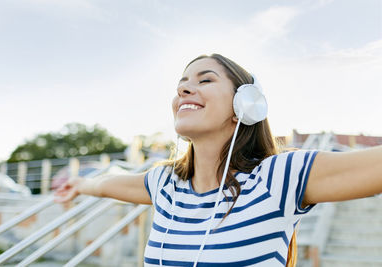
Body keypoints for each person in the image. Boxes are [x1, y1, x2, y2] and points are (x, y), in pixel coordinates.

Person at [54, 54, 382, 267]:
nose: (184, 90)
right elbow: (106, 184)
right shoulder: (165, 184)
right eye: (181, 84)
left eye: (204, 80)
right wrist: (79, 184)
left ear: (246, 105)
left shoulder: (278, 178)